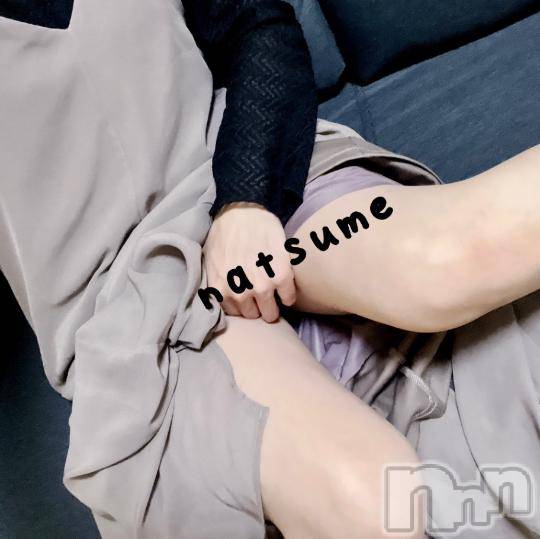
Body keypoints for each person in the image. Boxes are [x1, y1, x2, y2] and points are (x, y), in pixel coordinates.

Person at [0, 1, 538, 539]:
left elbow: (260, 25)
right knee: (373, 502)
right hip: (134, 311)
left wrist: (244, 202)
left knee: (442, 258)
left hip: (250, 181)